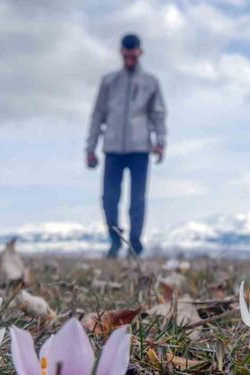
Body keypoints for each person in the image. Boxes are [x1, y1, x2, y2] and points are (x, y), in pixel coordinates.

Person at [85, 33, 167, 258]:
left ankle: (135, 244)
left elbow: (157, 114)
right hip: (112, 149)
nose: (130, 58)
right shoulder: (109, 81)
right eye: (126, 54)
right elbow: (98, 115)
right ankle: (115, 240)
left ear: (140, 53)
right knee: (109, 199)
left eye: (133, 54)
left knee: (137, 199)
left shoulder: (150, 82)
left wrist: (160, 143)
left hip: (140, 149)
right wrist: (90, 148)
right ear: (121, 52)